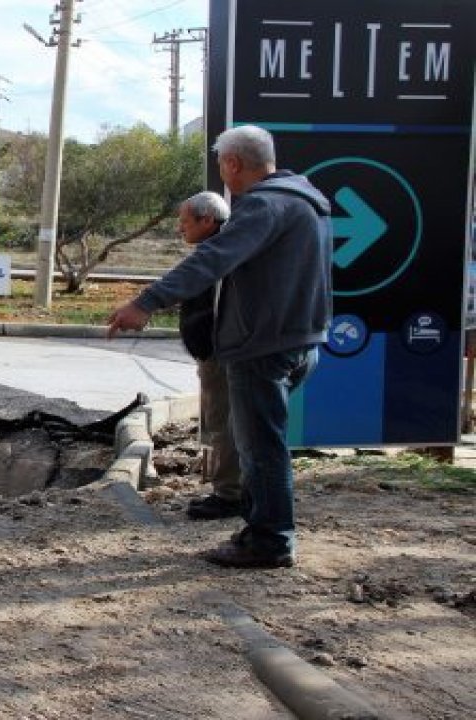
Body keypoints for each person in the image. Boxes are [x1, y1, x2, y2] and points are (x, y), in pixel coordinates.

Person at [107, 125, 332, 569]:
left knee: (260, 448)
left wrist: (146, 302)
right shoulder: (306, 201)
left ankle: (269, 541)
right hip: (302, 340)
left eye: (221, 165)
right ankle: (260, 527)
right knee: (263, 443)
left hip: (261, 347)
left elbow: (211, 259)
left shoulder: (264, 205)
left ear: (232, 163)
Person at [174, 191, 242, 521]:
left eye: (185, 222)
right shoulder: (225, 247)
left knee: (223, 422)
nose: (180, 228)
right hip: (221, 352)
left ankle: (229, 494)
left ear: (207, 220)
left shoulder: (218, 254)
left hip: (222, 354)